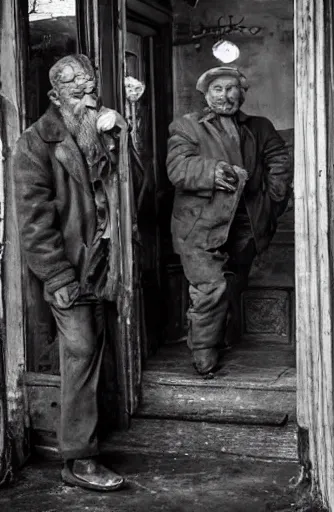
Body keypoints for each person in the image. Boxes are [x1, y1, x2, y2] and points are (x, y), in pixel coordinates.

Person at [12, 54, 138, 491]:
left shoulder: (101, 130)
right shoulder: (35, 142)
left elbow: (137, 190)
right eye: (75, 89)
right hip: (71, 272)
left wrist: (123, 135)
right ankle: (78, 460)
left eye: (91, 87)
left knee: (100, 354)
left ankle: (95, 441)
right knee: (81, 356)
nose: (87, 96)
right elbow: (34, 223)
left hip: (109, 267)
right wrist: (58, 278)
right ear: (55, 95)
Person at [167, 67, 291, 376]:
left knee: (232, 284)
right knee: (210, 287)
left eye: (233, 88)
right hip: (200, 225)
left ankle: (219, 338)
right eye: (219, 89)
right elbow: (178, 168)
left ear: (242, 94)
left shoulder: (259, 126)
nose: (227, 95)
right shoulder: (187, 127)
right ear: (207, 95)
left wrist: (273, 200)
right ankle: (204, 354)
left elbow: (278, 158)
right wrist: (213, 171)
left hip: (246, 224)